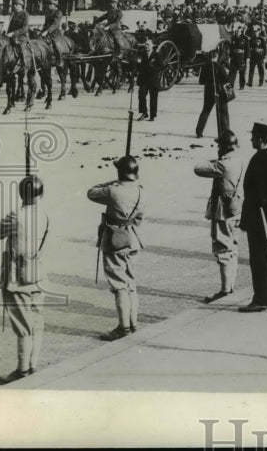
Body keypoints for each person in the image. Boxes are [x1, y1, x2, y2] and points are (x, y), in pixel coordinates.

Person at [0, 174, 49, 384]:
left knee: (23, 327)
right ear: (41, 193)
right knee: (37, 322)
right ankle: (33, 365)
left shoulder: (17, 216)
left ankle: (22, 370)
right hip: (38, 276)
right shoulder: (44, 215)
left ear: (22, 194)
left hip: (18, 280)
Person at [88, 155, 144, 341]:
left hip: (115, 241)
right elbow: (139, 217)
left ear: (120, 172)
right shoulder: (140, 191)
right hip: (133, 239)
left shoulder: (113, 190)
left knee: (119, 285)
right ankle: (133, 323)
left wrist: (115, 181)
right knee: (131, 284)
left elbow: (92, 192)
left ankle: (123, 327)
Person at [193, 131, 244, 303]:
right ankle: (230, 286)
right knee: (233, 247)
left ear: (225, 147)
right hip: (236, 207)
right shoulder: (238, 159)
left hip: (224, 211)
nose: (218, 148)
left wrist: (214, 160)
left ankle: (225, 289)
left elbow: (198, 168)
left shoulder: (224, 165)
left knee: (223, 248)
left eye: (220, 146)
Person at [238, 122, 267, 313]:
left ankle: (262, 298)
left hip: (260, 217)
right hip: (263, 216)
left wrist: (261, 203)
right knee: (266, 255)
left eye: (253, 137)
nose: (250, 139)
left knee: (259, 258)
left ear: (260, 139)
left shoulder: (261, 159)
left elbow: (266, 190)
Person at [196, 47, 230, 138]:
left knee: (205, 111)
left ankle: (199, 131)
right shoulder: (219, 66)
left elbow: (201, 81)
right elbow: (226, 80)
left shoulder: (204, 66)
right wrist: (230, 93)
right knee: (223, 113)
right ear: (216, 56)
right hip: (220, 92)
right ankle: (223, 133)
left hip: (208, 91)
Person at [135, 38, 160, 121]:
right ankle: (144, 113)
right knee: (141, 95)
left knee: (153, 98)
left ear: (152, 46)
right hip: (143, 79)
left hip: (153, 79)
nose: (146, 46)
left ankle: (152, 115)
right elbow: (138, 65)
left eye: (148, 44)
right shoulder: (141, 54)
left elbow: (162, 66)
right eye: (145, 44)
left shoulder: (157, 55)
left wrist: (154, 68)